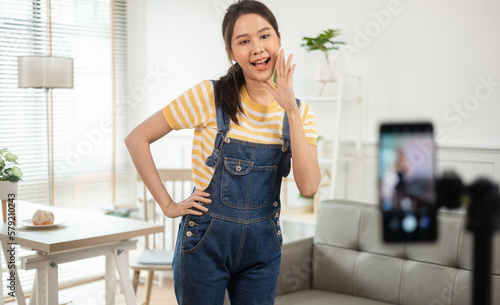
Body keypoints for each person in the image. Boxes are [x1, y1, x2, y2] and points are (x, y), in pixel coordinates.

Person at [125, 0, 321, 304]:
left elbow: (308, 187)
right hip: (204, 246)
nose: (257, 48)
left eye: (264, 36)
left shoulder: (301, 112)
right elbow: (137, 138)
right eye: (244, 41)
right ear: (232, 52)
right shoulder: (209, 95)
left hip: (262, 250)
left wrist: (291, 110)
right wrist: (167, 205)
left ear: (279, 40)